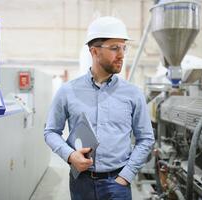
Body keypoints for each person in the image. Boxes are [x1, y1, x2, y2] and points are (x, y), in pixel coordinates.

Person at [44, 16, 155, 200]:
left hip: (117, 183)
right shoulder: (68, 91)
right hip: (81, 183)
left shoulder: (133, 94)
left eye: (123, 47)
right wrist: (70, 155)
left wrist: (126, 176)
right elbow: (50, 132)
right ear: (94, 51)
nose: (121, 54)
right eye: (114, 48)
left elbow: (146, 138)